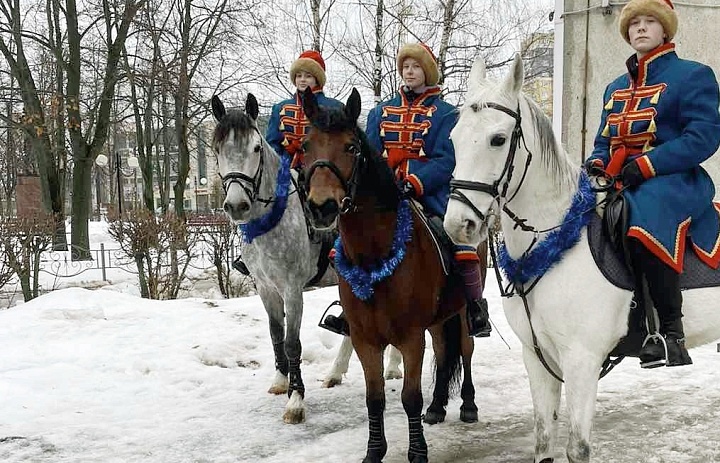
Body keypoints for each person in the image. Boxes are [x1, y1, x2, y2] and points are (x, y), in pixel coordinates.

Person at [320, 42, 492, 338]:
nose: (409, 72)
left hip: (428, 193)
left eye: (416, 67)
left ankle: (475, 307)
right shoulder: (380, 112)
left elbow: (446, 159)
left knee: (459, 241)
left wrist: (414, 179)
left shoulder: (446, 114)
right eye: (405, 67)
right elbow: (370, 155)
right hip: (384, 194)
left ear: (428, 72)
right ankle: (349, 312)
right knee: (345, 246)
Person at [585, 0, 720, 367]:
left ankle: (669, 332)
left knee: (643, 213)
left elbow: (703, 137)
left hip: (673, 181)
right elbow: (603, 141)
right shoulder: (614, 88)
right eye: (634, 23)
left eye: (650, 21)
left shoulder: (693, 75)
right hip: (620, 179)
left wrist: (647, 165)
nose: (641, 28)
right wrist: (597, 164)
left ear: (666, 30)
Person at [232, 50, 343, 276]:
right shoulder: (280, 108)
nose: (303, 80)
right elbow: (272, 143)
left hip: (321, 169)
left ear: (318, 79)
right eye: (299, 75)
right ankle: (251, 248)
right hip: (287, 167)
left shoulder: (334, 107)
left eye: (308, 76)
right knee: (264, 198)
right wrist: (283, 162)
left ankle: (335, 242)